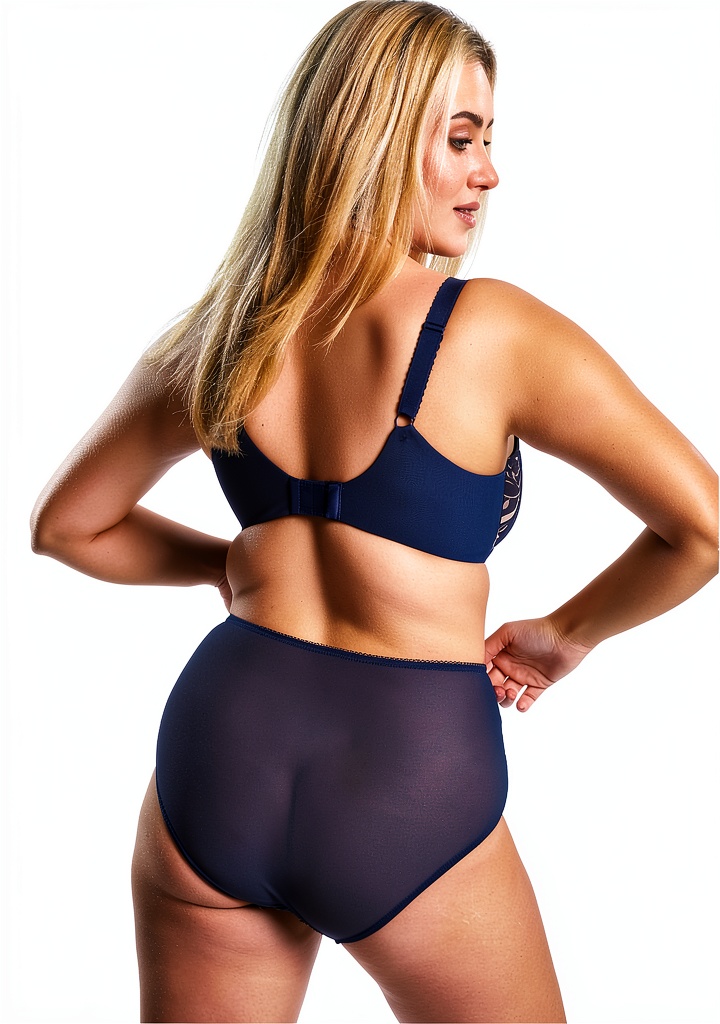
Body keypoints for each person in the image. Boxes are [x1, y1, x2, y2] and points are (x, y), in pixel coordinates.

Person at [29, 1, 717, 1021]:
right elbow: (702, 526)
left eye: (489, 142)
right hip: (407, 771)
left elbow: (68, 526)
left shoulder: (220, 335)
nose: (490, 174)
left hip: (218, 761)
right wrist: (567, 635)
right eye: (463, 140)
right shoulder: (494, 331)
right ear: (379, 137)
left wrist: (232, 565)